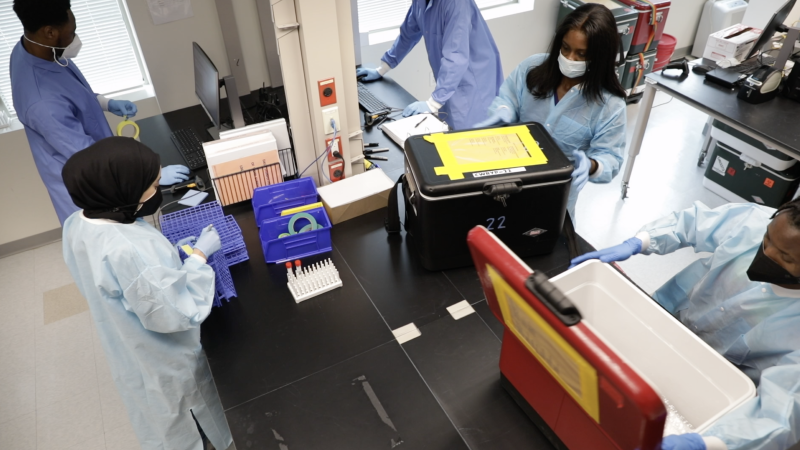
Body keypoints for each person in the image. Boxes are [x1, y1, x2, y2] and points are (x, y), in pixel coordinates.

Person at [571, 200, 800, 450]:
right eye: (767, 239)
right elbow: (690, 224)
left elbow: (780, 413)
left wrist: (707, 443)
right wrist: (641, 242)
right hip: (665, 321)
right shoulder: (753, 221)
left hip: (713, 383)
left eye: (786, 257)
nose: (767, 253)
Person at [61, 136, 233, 450]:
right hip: (166, 358)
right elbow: (178, 312)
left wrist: (165, 266)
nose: (159, 191)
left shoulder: (78, 222)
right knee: (192, 419)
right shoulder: (127, 249)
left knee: (153, 409)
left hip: (126, 341)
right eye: (153, 185)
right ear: (122, 191)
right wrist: (198, 258)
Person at [11, 0, 189, 226]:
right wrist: (153, 175)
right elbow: (92, 157)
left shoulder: (36, 50)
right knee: (117, 243)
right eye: (72, 31)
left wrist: (106, 102)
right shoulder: (41, 102)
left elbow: (70, 91)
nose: (75, 37)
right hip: (89, 184)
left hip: (99, 161)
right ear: (49, 32)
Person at [475, 4, 626, 223]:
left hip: (555, 198)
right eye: (565, 48)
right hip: (507, 180)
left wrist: (592, 165)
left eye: (581, 54)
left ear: (600, 57)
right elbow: (508, 97)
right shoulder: (532, 67)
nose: (570, 58)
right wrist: (504, 110)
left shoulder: (610, 105)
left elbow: (611, 157)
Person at [355, 0, 503, 131]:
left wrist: (432, 104)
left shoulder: (457, 3)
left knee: (471, 137)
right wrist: (382, 68)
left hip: (475, 80)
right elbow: (408, 33)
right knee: (450, 128)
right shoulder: (420, 2)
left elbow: (456, 57)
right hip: (449, 78)